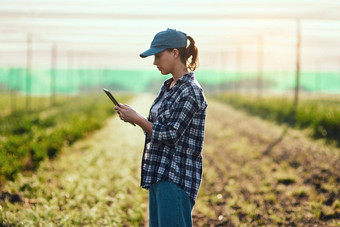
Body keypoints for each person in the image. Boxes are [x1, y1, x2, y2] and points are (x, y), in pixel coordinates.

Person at [114, 28, 207, 227]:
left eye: (158, 56)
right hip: (159, 172)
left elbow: (171, 134)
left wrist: (138, 118)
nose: (155, 62)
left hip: (176, 176)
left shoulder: (191, 91)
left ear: (175, 53)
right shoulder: (168, 87)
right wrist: (133, 118)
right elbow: (159, 128)